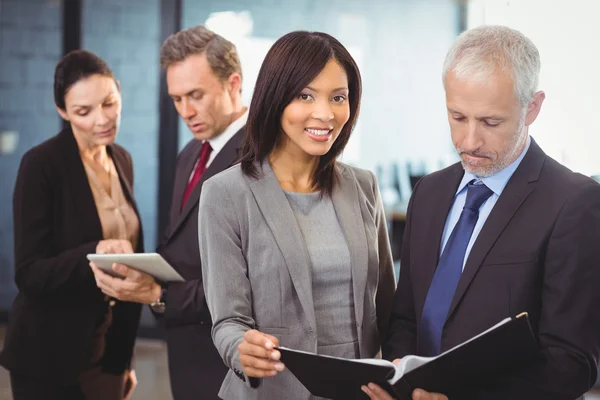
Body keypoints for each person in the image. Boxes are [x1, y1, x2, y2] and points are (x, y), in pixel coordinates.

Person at [363, 25, 600, 400]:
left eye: (491, 122)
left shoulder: (574, 202)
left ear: (532, 108)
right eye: (457, 117)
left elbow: (571, 363)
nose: (469, 141)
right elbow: (407, 317)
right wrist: (400, 377)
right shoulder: (428, 192)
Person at [198, 30, 396, 400]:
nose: (325, 113)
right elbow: (228, 322)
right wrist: (241, 348)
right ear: (275, 98)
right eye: (305, 95)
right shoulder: (226, 193)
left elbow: (387, 308)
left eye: (338, 97)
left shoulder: (363, 187)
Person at [89, 25, 247, 399]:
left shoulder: (262, 160)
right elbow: (182, 249)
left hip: (232, 364)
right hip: (186, 354)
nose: (185, 111)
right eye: (177, 99)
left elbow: (256, 281)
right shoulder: (190, 154)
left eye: (195, 95)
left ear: (234, 83)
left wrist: (161, 293)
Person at [0, 50, 143, 400]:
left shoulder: (122, 159)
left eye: (109, 103)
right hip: (49, 355)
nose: (102, 119)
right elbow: (30, 273)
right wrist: (93, 253)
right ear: (63, 112)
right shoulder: (41, 165)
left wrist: (124, 359)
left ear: (120, 92)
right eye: (83, 111)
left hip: (108, 352)